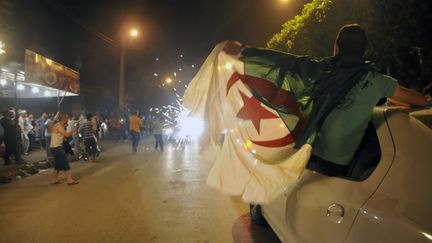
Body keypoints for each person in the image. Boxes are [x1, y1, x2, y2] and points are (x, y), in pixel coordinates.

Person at [224, 24, 430, 177]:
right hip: (342, 168)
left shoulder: (321, 70)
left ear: (337, 49)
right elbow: (419, 100)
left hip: (312, 160)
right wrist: (393, 101)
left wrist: (244, 53)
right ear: (364, 52)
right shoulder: (378, 81)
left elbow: (284, 63)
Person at [50, 113, 79, 185]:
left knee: (58, 165)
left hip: (56, 147)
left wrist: (64, 140)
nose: (68, 120)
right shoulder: (58, 126)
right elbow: (67, 134)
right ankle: (69, 180)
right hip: (57, 148)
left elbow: (61, 136)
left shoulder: (60, 126)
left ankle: (54, 180)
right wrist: (74, 130)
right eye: (67, 118)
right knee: (65, 164)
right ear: (64, 119)